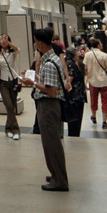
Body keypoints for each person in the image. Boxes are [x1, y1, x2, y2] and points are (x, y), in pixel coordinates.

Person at [20, 27, 69, 191]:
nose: (35, 44)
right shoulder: (54, 59)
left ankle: (60, 180)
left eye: (35, 41)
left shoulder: (48, 63)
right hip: (50, 105)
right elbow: (49, 81)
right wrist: (33, 76)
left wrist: (32, 83)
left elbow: (51, 89)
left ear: (40, 43)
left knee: (51, 143)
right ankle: (56, 173)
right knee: (52, 142)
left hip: (48, 105)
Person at [0, 33, 21, 139]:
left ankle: (8, 128)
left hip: (13, 80)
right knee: (9, 105)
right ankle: (16, 130)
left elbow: (18, 50)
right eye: (1, 39)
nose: (3, 41)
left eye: (5, 38)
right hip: (3, 82)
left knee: (13, 106)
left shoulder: (12, 52)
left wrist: (9, 43)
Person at [84, 37, 107, 129]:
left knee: (93, 99)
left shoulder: (87, 55)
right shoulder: (104, 55)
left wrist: (88, 76)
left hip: (92, 81)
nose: (102, 45)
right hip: (103, 81)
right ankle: (104, 122)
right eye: (100, 43)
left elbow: (85, 68)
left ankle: (93, 116)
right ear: (98, 45)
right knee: (105, 100)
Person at [63, 47, 86, 137]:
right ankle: (74, 135)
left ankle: (75, 134)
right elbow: (69, 79)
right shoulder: (70, 64)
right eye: (76, 53)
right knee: (75, 118)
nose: (78, 54)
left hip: (78, 94)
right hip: (75, 95)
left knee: (76, 118)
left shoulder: (74, 63)